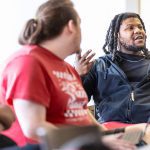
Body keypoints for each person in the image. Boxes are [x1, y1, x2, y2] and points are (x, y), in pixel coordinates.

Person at [0, 1, 136, 150]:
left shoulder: (67, 68)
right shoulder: (27, 61)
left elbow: (83, 113)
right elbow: (34, 128)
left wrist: (109, 136)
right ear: (72, 26)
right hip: (55, 146)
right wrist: (96, 142)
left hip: (88, 143)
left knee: (141, 132)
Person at [75, 12, 150, 124]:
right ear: (117, 35)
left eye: (140, 27)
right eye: (130, 28)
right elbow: (76, 102)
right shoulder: (100, 66)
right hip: (111, 131)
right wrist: (78, 75)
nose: (138, 30)